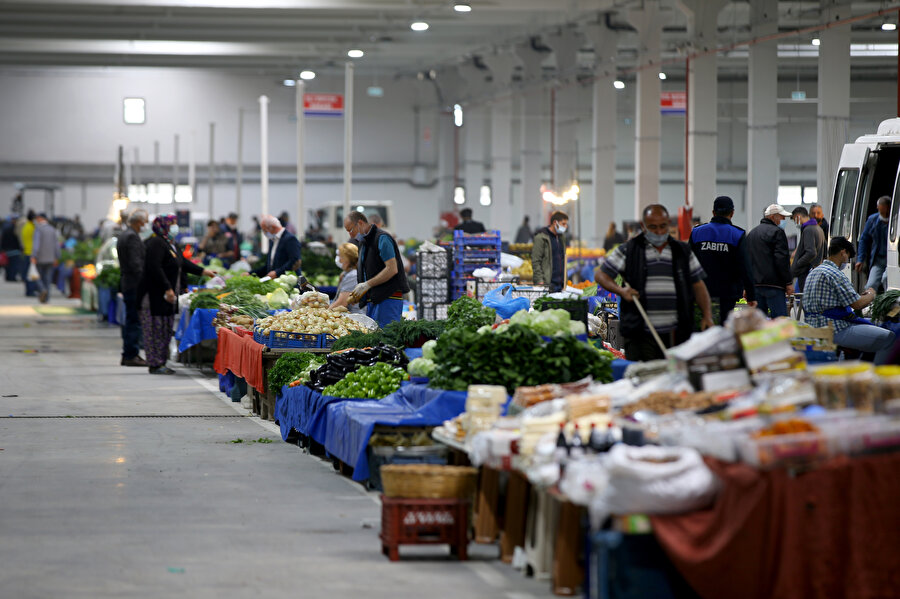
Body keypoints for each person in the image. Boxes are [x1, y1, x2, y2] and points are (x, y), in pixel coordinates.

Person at [595, 204, 713, 361]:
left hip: (677, 334)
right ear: (643, 226)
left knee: (674, 373)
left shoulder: (682, 251)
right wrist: (621, 291)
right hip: (640, 334)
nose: (659, 232)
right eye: (653, 227)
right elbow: (601, 275)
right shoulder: (629, 250)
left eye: (663, 226)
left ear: (668, 224)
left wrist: (707, 315)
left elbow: (698, 285)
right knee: (645, 374)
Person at [139, 215, 214, 374]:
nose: (175, 226)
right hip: (155, 295)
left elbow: (182, 262)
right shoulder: (155, 243)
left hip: (168, 296)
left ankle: (161, 362)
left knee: (165, 330)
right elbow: (155, 268)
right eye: (172, 224)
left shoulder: (169, 243)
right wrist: (167, 288)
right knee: (155, 330)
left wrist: (203, 271)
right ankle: (155, 364)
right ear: (163, 226)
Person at [804, 236, 895, 364]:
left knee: (872, 326)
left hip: (813, 326)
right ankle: (876, 373)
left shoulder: (814, 272)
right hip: (834, 328)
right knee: (889, 337)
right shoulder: (834, 273)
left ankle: (860, 365)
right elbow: (858, 304)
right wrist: (871, 294)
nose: (847, 261)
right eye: (848, 257)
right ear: (843, 252)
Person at [689, 196, 756, 323]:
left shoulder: (697, 233)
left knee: (702, 326)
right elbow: (745, 266)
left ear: (713, 212)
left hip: (700, 292)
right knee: (723, 328)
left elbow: (688, 264)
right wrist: (751, 295)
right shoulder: (737, 234)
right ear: (732, 213)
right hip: (728, 294)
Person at [344, 211, 410, 327]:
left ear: (360, 223)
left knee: (387, 335)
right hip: (374, 299)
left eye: (351, 230)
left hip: (388, 299)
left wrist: (367, 284)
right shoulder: (364, 243)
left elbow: (392, 269)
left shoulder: (382, 238)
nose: (350, 235)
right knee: (374, 335)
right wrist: (360, 294)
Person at [744, 204, 794, 318]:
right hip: (774, 287)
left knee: (759, 322)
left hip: (756, 286)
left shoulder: (752, 234)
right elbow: (781, 259)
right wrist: (788, 282)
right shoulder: (778, 232)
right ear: (772, 217)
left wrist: (747, 286)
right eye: (782, 217)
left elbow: (747, 262)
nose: (784, 220)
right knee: (780, 321)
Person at [117, 209, 148, 367]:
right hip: (134, 284)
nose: (146, 224)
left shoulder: (125, 235)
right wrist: (145, 281)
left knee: (131, 320)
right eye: (145, 221)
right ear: (139, 222)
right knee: (134, 321)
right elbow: (136, 264)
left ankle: (128, 354)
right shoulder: (132, 237)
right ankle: (131, 355)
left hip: (128, 282)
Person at [855, 196, 890, 293]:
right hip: (878, 259)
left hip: (892, 258)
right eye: (880, 211)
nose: (883, 215)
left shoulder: (895, 220)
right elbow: (864, 239)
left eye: (885, 212)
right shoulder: (873, 220)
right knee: (871, 285)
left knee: (886, 279)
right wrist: (860, 259)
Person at [790, 206, 826, 293]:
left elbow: (811, 252)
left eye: (795, 219)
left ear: (798, 217)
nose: (795, 222)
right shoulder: (818, 228)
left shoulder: (808, 230)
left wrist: (798, 263)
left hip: (807, 273)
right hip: (815, 271)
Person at [532, 211, 569, 292]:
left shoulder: (561, 238)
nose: (565, 227)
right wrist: (539, 281)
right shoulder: (541, 238)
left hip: (560, 285)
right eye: (563, 224)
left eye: (566, 224)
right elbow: (536, 261)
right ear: (555, 222)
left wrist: (565, 281)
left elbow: (563, 258)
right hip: (547, 284)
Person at [31, 213, 60, 303]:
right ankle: (47, 298)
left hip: (40, 258)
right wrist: (57, 256)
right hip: (50, 258)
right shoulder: (52, 229)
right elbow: (56, 244)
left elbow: (36, 244)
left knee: (37, 276)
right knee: (48, 278)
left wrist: (34, 255)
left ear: (41, 218)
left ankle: (42, 289)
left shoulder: (38, 229)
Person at [330, 243, 365, 315]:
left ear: (348, 259)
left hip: (354, 316)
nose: (338, 259)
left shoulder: (353, 275)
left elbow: (342, 303)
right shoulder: (347, 274)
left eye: (340, 256)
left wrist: (324, 312)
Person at [18, 210, 36, 296]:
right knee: (31, 273)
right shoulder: (32, 227)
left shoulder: (25, 226)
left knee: (27, 273)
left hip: (26, 251)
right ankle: (30, 291)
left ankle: (28, 290)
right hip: (31, 252)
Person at [1, 215, 23, 282]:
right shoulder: (17, 229)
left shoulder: (6, 229)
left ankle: (8, 277)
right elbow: (19, 240)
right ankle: (12, 277)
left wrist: (2, 249)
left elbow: (3, 240)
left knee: (7, 265)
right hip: (15, 250)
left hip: (7, 250)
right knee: (14, 265)